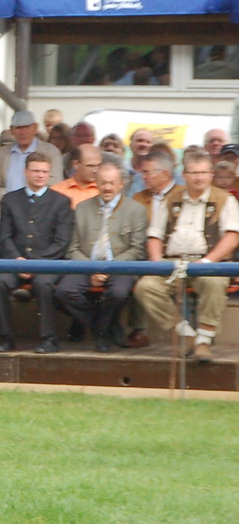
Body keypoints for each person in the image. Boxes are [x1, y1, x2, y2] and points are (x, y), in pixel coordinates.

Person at [134, 152, 238, 361]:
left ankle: (203, 341)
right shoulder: (171, 199)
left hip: (209, 262)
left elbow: (232, 237)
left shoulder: (224, 199)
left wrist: (208, 262)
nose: (199, 177)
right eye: (194, 172)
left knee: (214, 283)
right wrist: (156, 263)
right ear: (184, 174)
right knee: (145, 287)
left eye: (204, 172)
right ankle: (185, 334)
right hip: (172, 262)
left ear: (211, 174)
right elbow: (155, 235)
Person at [57, 161, 149, 353]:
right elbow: (72, 247)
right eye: (103, 183)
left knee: (118, 293)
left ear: (121, 184)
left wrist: (109, 268)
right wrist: (92, 268)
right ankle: (103, 328)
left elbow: (137, 250)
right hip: (85, 265)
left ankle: (101, 332)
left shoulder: (136, 210)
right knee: (63, 291)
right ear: (96, 183)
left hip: (121, 267)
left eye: (111, 183)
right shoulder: (82, 208)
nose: (107, 187)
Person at [0, 154, 74, 353]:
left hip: (47, 263)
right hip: (14, 261)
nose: (40, 175)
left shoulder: (61, 202)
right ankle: (5, 337)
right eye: (36, 171)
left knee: (44, 284)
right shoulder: (10, 199)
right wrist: (17, 260)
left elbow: (61, 242)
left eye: (44, 171)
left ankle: (49, 338)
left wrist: (34, 263)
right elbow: (5, 236)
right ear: (26, 172)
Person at [0, 110, 64, 195]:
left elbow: (56, 184)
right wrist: (11, 198)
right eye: (19, 128)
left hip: (41, 206)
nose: (23, 132)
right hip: (9, 205)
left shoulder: (51, 152)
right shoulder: (3, 153)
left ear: (35, 128)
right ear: (11, 130)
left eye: (27, 127)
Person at [125, 128, 156, 195]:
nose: (144, 144)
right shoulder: (119, 169)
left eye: (148, 142)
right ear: (131, 145)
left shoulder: (157, 173)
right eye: (140, 140)